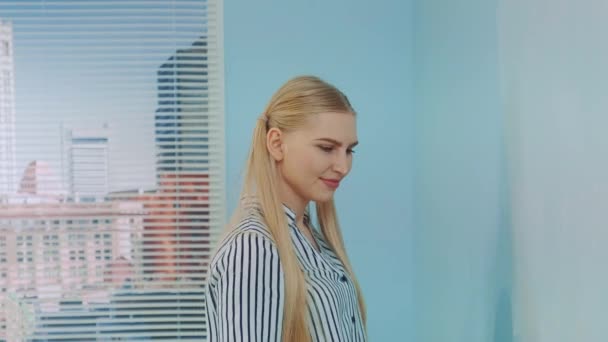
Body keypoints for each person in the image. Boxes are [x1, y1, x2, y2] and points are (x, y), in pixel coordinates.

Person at [205, 76, 367, 341]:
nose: (343, 166)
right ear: (277, 144)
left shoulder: (312, 238)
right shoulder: (254, 248)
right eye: (327, 148)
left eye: (349, 150)